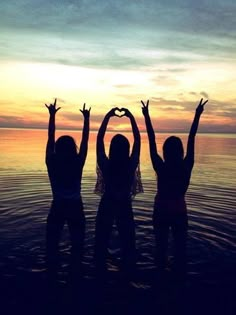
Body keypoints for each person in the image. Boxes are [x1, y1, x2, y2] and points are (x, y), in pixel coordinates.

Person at [141, 98, 207, 277]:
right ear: (181, 151)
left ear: (165, 152)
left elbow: (151, 139)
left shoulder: (160, 167)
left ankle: (160, 280)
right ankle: (179, 282)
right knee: (180, 251)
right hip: (179, 212)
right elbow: (192, 138)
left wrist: (146, 116)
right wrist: (197, 115)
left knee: (160, 250)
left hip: (161, 211)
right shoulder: (186, 167)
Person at [45, 98, 90, 282]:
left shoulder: (52, 162)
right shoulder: (77, 162)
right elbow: (86, 141)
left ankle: (52, 278)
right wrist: (87, 120)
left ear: (57, 149)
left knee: (52, 246)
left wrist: (52, 116)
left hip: (58, 206)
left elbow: (50, 139)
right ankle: (76, 278)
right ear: (73, 149)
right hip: (75, 207)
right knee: (77, 246)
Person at [94, 107, 142, 280]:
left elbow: (99, 139)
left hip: (107, 204)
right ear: (127, 149)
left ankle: (99, 277)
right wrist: (131, 117)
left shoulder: (106, 165)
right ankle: (127, 278)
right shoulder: (130, 166)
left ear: (111, 149)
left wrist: (107, 116)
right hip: (124, 205)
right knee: (128, 245)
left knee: (100, 243)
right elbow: (138, 139)